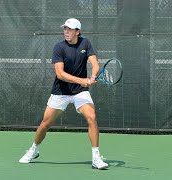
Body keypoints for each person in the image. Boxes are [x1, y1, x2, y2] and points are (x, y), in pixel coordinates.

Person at [18, 18, 109, 170]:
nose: (66, 31)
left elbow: (95, 64)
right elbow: (60, 74)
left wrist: (93, 76)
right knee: (45, 124)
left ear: (77, 32)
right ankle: (34, 149)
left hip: (80, 92)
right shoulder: (59, 47)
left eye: (70, 29)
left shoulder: (85, 43)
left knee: (92, 117)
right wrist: (81, 80)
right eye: (65, 28)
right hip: (61, 91)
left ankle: (96, 157)